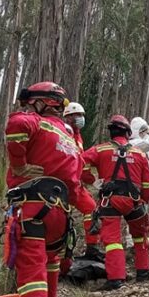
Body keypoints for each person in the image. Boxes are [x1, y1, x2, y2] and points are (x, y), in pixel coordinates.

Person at [0, 81, 81, 297]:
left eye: (31, 103)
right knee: (51, 269)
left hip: (33, 208)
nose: (27, 107)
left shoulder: (36, 123)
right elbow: (77, 186)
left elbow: (16, 125)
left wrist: (18, 165)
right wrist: (92, 216)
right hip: (60, 214)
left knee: (32, 277)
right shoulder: (70, 138)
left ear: (42, 102)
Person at [82, 115, 149, 290]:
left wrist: (93, 180)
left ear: (111, 132)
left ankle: (116, 278)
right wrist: (143, 201)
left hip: (110, 201)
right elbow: (147, 185)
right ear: (128, 133)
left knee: (113, 239)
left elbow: (79, 163)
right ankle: (143, 271)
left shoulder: (100, 150)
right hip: (134, 201)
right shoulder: (140, 154)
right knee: (140, 235)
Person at [62, 102, 101, 259]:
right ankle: (63, 255)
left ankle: (91, 248)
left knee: (91, 210)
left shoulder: (77, 135)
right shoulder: (64, 131)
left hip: (75, 182)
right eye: (78, 115)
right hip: (65, 182)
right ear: (69, 117)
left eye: (82, 115)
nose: (81, 118)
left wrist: (89, 179)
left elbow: (80, 160)